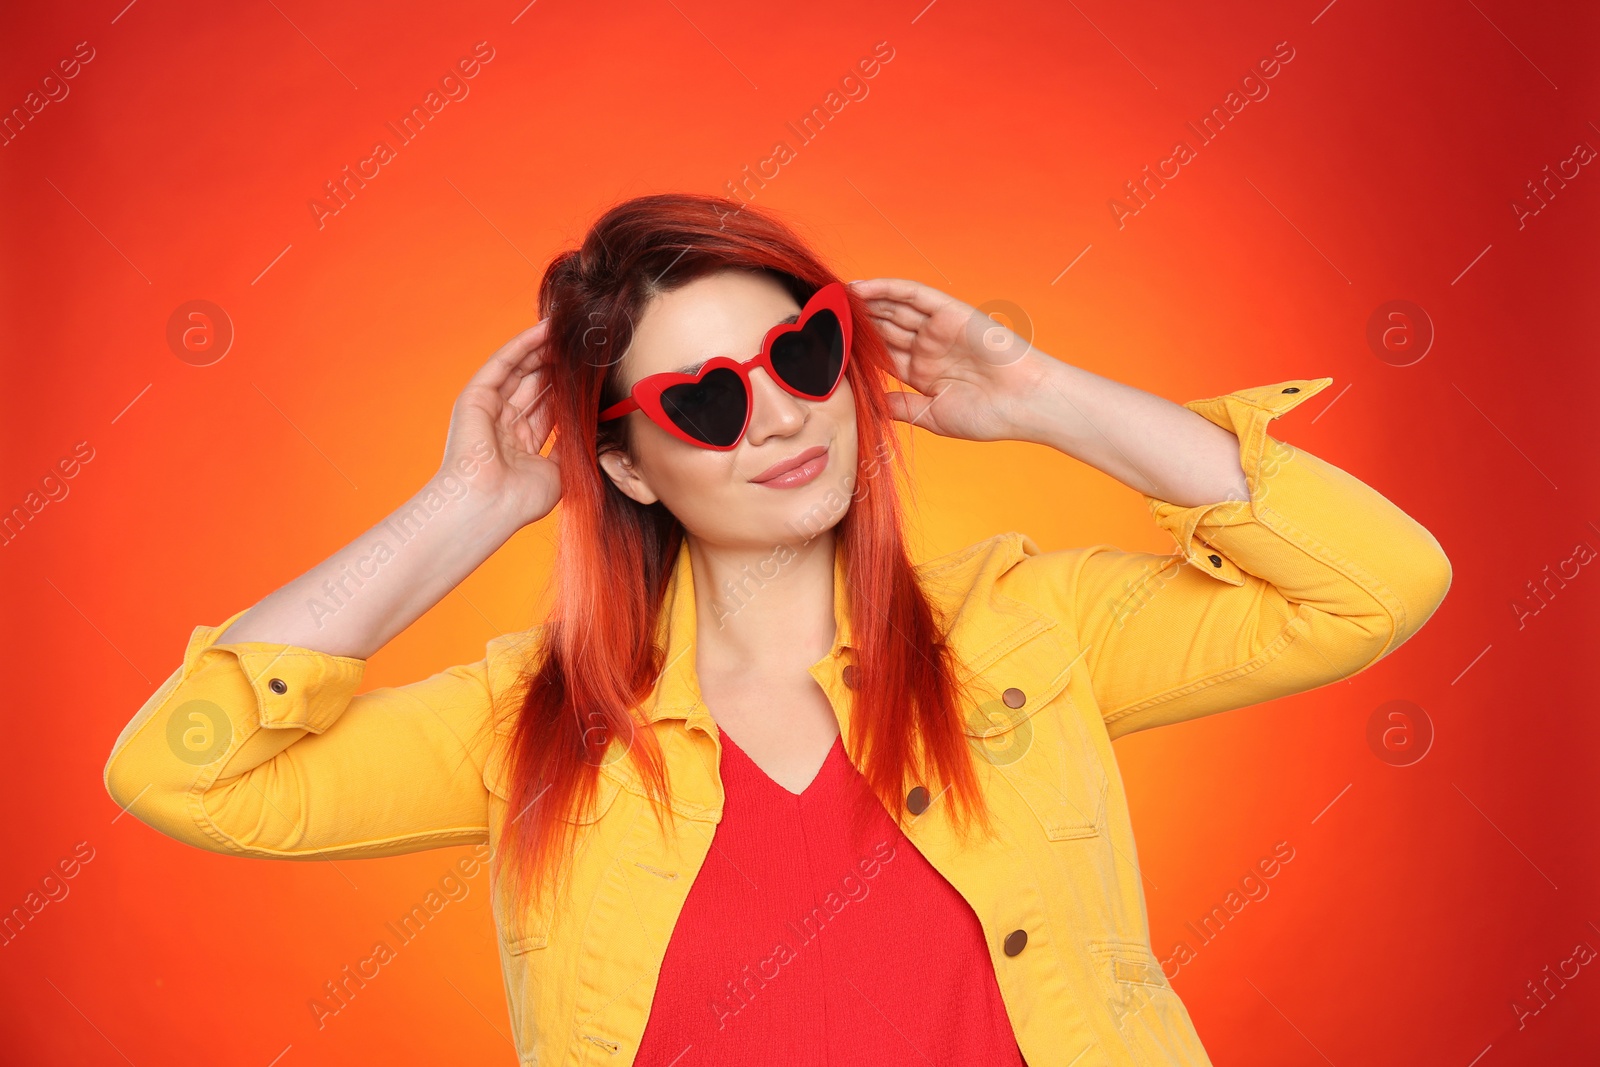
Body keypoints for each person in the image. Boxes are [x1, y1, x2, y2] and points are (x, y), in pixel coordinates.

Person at [104, 192, 1452, 1066]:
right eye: (704, 402)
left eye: (803, 355)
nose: (783, 415)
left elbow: (1374, 582)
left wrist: (1043, 394)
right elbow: (185, 767)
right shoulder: (534, 725)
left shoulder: (1028, 632)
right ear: (625, 464)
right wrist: (467, 505)